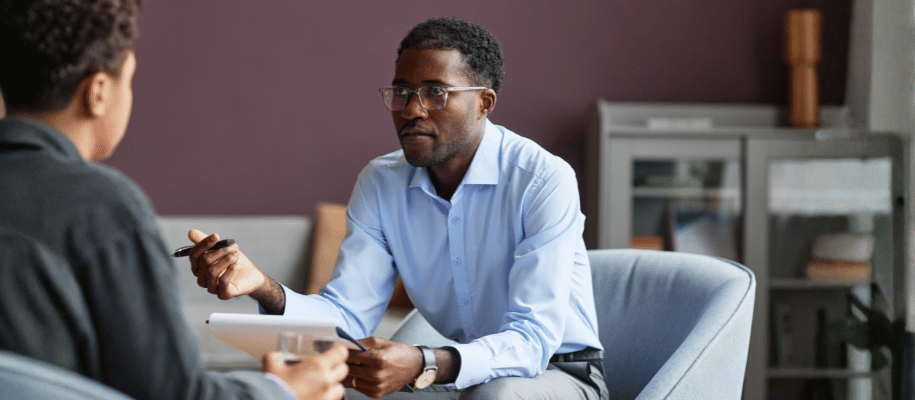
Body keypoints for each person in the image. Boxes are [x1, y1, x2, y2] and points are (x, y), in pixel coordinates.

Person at [187, 16, 608, 400]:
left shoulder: (541, 179)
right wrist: (261, 285)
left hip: (557, 374)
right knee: (328, 393)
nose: (411, 109)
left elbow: (533, 340)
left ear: (484, 103)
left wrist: (425, 361)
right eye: (402, 91)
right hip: (454, 374)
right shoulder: (381, 182)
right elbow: (348, 317)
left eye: (435, 92)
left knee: (498, 397)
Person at [0, 1, 348, 399]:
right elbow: (172, 394)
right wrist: (279, 390)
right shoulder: (101, 207)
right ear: (97, 92)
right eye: (128, 80)